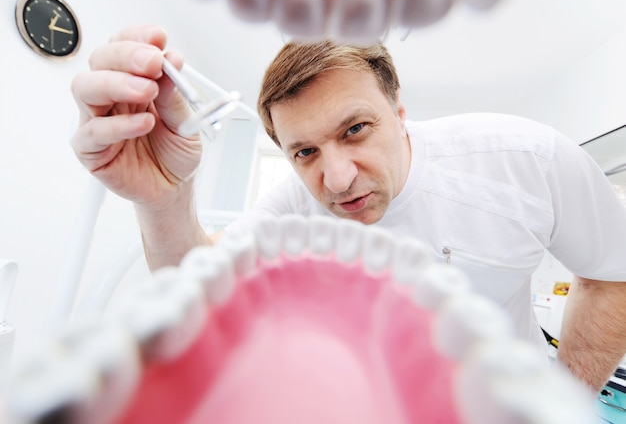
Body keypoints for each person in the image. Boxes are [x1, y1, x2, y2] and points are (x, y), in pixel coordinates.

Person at [71, 24, 626, 393]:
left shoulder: (523, 160)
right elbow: (195, 289)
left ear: (399, 109)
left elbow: (613, 276)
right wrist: (165, 201)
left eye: (355, 129)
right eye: (305, 152)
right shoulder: (294, 203)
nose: (336, 180)